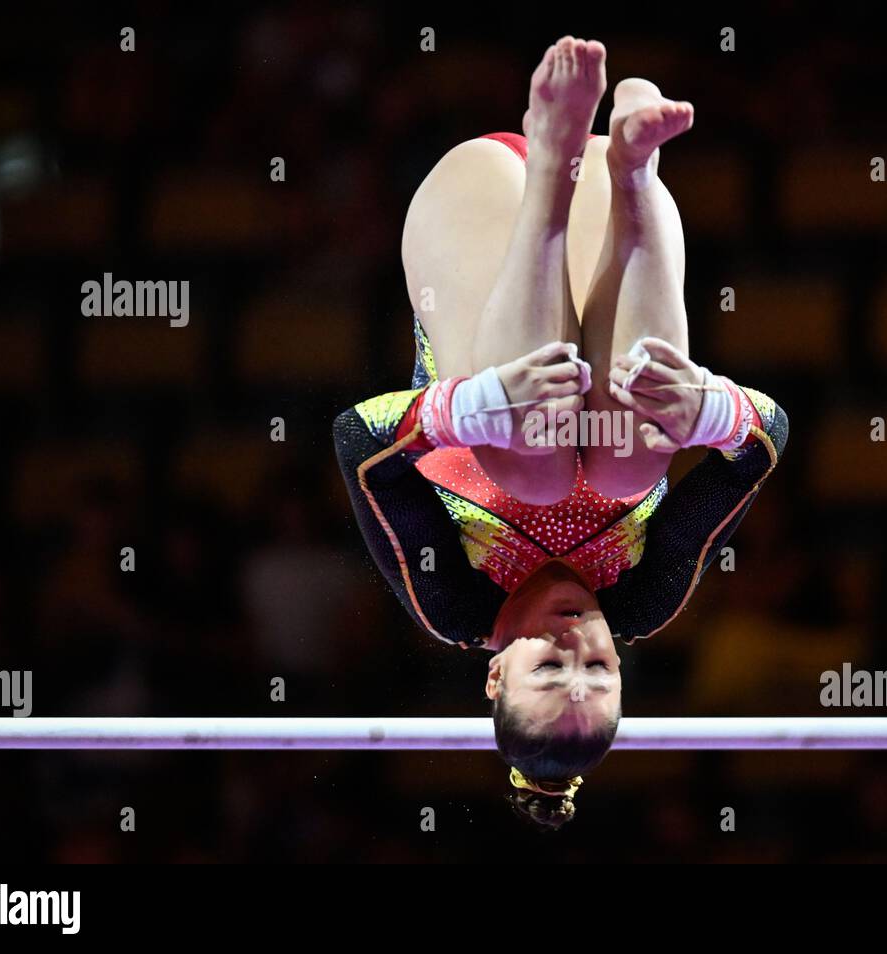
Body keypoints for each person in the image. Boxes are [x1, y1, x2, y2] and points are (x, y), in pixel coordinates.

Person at [334, 36, 787, 828]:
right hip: (606, 217)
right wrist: (713, 411)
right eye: (602, 666)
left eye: (551, 666)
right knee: (623, 466)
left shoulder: (451, 602)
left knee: (534, 471)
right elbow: (764, 442)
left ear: (495, 677)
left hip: (480, 210)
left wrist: (465, 407)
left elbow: (355, 443)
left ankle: (551, 152)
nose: (579, 641)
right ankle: (638, 170)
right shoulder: (648, 595)